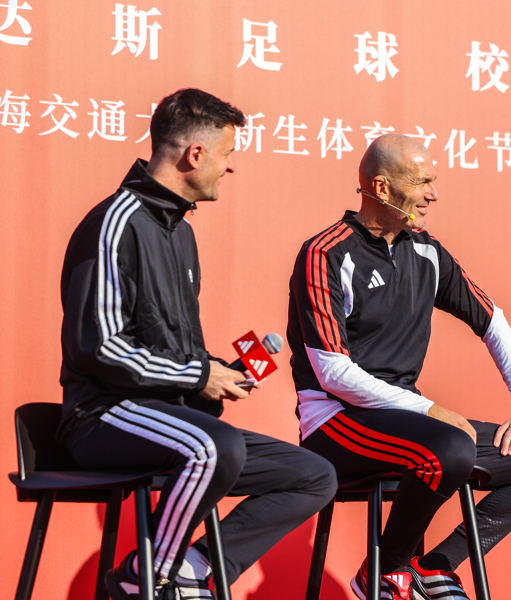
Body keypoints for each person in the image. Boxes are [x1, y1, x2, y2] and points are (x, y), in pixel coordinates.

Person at [58, 88, 337, 600]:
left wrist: (218, 372)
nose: (229, 168)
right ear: (195, 154)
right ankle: (148, 578)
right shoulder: (115, 223)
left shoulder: (180, 232)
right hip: (104, 414)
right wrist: (198, 375)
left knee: (314, 475)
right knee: (214, 445)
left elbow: (170, 346)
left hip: (173, 414)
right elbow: (97, 347)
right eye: (227, 155)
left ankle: (192, 566)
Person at [287, 133, 511, 600]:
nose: (432, 194)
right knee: (449, 448)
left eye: (432, 181)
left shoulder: (426, 250)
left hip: (412, 420)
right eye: (421, 182)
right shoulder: (326, 252)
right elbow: (332, 373)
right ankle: (385, 571)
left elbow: (492, 321)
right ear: (381, 187)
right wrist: (429, 410)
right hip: (335, 420)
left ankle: (434, 567)